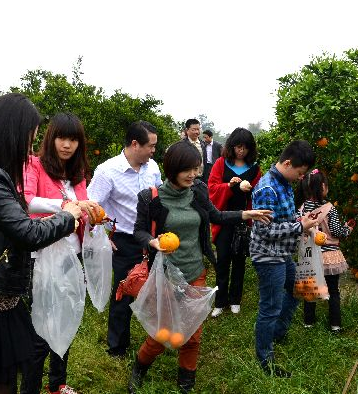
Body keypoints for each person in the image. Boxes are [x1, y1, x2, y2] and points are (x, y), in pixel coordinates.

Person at [0, 93, 82, 394]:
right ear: (12, 134)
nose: (30, 147)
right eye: (30, 138)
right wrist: (67, 215)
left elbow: (14, 228)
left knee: (2, 381)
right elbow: (28, 234)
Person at [128, 141, 272, 393]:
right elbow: (138, 231)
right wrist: (152, 241)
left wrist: (244, 214)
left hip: (195, 273)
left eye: (196, 169)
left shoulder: (198, 191)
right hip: (166, 276)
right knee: (162, 333)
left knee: (192, 334)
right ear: (172, 168)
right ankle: (139, 367)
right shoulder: (150, 198)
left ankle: (186, 383)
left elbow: (215, 216)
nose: (194, 175)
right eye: (188, 170)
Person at [20, 113, 101, 394]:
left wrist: (95, 216)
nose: (67, 145)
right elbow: (27, 202)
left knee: (66, 317)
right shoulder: (34, 165)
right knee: (40, 328)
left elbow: (82, 211)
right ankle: (30, 389)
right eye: (61, 137)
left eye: (73, 139)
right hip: (41, 257)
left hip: (70, 258)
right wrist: (68, 203)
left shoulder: (77, 175)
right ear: (50, 138)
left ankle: (58, 383)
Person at [86, 120, 162, 358]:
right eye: (150, 146)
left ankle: (158, 339)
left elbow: (159, 199)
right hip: (124, 239)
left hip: (151, 239)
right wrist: (101, 237)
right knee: (123, 291)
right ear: (134, 144)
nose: (153, 151)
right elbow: (90, 207)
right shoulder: (108, 171)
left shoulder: (152, 168)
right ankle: (117, 347)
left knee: (154, 288)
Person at [250, 140, 318, 377]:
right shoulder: (267, 188)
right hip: (268, 256)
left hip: (283, 254)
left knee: (296, 289)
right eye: (300, 173)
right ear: (288, 163)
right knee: (270, 306)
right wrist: (300, 227)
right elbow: (265, 232)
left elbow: (285, 219)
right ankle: (265, 360)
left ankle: (276, 332)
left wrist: (303, 222)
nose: (302, 178)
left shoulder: (285, 183)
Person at [208, 127, 260, 317]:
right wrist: (229, 186)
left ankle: (235, 299)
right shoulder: (221, 164)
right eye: (238, 147)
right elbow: (212, 189)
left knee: (239, 260)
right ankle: (220, 301)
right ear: (232, 146)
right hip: (223, 219)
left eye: (245, 148)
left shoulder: (254, 169)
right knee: (222, 260)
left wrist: (250, 190)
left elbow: (258, 194)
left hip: (243, 221)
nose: (241, 151)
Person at [297, 169, 353, 332]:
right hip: (328, 255)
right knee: (333, 291)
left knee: (310, 289)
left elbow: (298, 226)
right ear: (323, 187)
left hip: (309, 253)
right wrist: (347, 229)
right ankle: (335, 325)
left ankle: (308, 322)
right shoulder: (329, 208)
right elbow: (336, 231)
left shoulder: (302, 208)